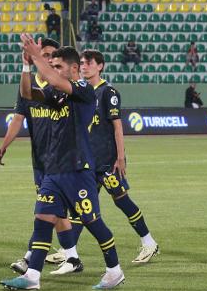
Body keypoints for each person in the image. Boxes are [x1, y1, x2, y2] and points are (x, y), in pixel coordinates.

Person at [0, 38, 125, 291]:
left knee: (92, 222)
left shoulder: (83, 91)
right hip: (54, 169)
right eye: (52, 66)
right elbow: (28, 94)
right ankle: (33, 276)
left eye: (58, 66)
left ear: (73, 69)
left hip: (77, 169)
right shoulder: (58, 93)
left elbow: (55, 80)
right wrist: (26, 67)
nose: (53, 70)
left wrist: (37, 56)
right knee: (43, 217)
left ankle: (114, 270)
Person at [61, 48, 159, 270]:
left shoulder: (108, 92)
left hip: (106, 161)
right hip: (88, 161)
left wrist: (120, 157)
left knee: (121, 201)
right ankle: (70, 253)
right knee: (81, 207)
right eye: (82, 63)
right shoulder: (81, 91)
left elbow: (117, 126)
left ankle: (149, 242)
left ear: (100, 66)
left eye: (88, 63)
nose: (84, 66)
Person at [0, 39, 82, 273]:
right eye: (43, 55)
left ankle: (31, 258)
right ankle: (72, 258)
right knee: (54, 212)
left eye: (51, 56)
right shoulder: (34, 86)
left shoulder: (65, 87)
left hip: (64, 160)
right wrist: (5, 144)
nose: (47, 59)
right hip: (41, 159)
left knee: (47, 210)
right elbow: (19, 115)